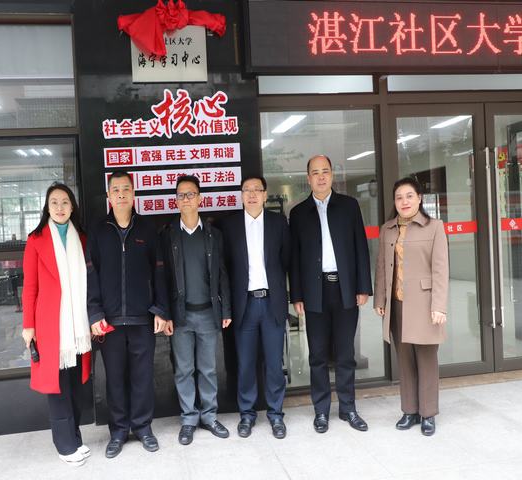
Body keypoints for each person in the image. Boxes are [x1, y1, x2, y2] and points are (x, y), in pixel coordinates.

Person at [86, 171, 168, 458]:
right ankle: (119, 431)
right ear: (109, 195)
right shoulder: (99, 230)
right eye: (116, 190)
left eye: (126, 189)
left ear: (134, 194)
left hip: (142, 318)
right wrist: (94, 312)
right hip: (109, 321)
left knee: (143, 377)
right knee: (115, 379)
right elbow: (91, 274)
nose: (121, 194)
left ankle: (143, 427)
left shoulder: (147, 229)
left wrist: (160, 309)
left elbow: (159, 271)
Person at [289, 154, 373, 434]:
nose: (321, 176)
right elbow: (295, 259)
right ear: (308, 178)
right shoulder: (298, 213)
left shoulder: (349, 206)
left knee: (346, 353)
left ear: (332, 175)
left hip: (345, 288)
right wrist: (297, 295)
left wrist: (363, 287)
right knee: (318, 355)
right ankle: (321, 410)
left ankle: (348, 408)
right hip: (314, 291)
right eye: (315, 172)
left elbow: (360, 247)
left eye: (325, 171)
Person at [21, 182, 92, 467]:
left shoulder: (82, 238)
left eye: (64, 202)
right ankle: (65, 446)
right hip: (51, 327)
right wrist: (28, 325)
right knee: (58, 387)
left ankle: (75, 438)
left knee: (74, 386)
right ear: (47, 208)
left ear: (72, 206)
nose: (60, 207)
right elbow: (30, 287)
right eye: (54, 202)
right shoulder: (36, 240)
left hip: (78, 326)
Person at [373, 177, 449, 436]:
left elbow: (440, 270)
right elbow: (382, 267)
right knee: (404, 362)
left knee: (426, 360)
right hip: (397, 304)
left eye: (409, 196)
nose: (404, 202)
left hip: (425, 305)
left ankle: (428, 414)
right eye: (399, 197)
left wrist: (439, 306)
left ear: (419, 199)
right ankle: (410, 410)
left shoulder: (434, 227)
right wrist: (380, 299)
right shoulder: (387, 229)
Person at [160, 175, 232, 446]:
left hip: (208, 314)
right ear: (176, 201)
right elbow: (162, 278)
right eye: (181, 195)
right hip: (181, 316)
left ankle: (210, 416)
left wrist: (226, 309)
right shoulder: (168, 235)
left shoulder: (214, 235)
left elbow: (222, 273)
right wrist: (166, 314)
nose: (186, 199)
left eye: (191, 194)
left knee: (208, 369)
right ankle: (189, 419)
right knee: (184, 370)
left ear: (200, 198)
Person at [220, 176, 290, 439]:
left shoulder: (278, 223)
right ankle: (247, 414)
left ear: (265, 195)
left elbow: (287, 261)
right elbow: (225, 268)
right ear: (241, 195)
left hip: (272, 303)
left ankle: (276, 414)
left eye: (256, 190)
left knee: (274, 364)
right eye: (246, 190)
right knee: (246, 364)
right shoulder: (230, 226)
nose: (251, 194)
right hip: (244, 305)